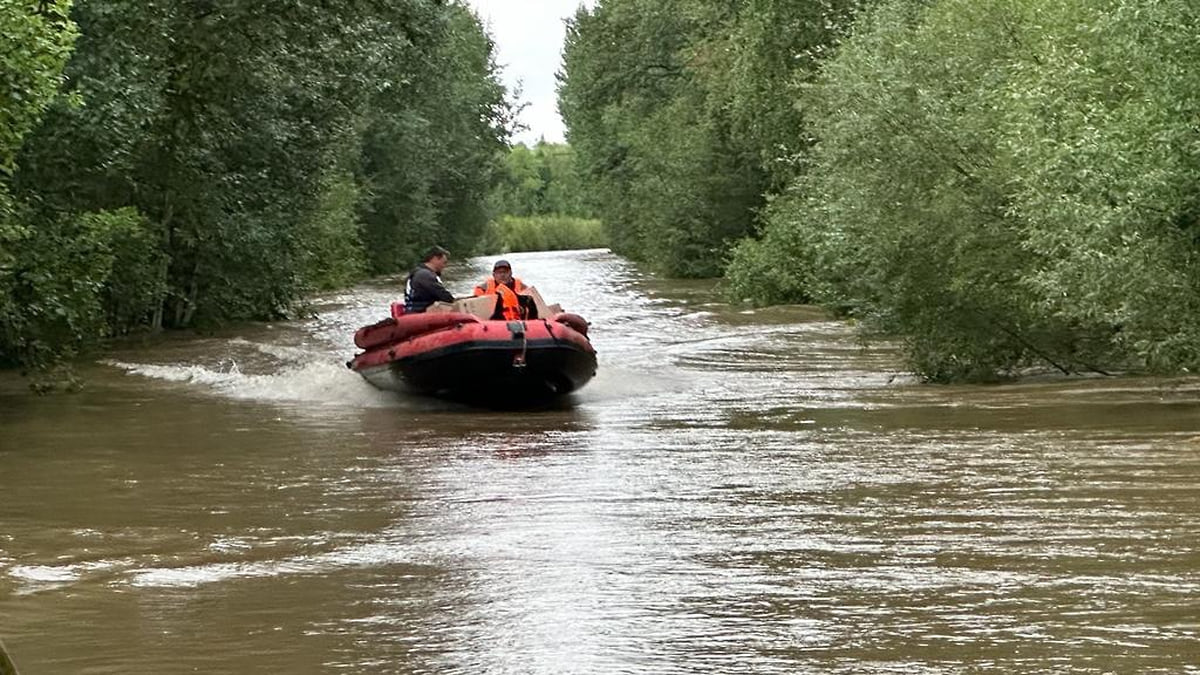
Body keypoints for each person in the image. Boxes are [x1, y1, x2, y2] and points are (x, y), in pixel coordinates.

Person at [403, 246, 454, 313]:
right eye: (444, 262)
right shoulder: (425, 275)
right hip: (419, 311)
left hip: (414, 308)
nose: (444, 266)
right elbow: (444, 296)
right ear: (435, 259)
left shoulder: (418, 272)